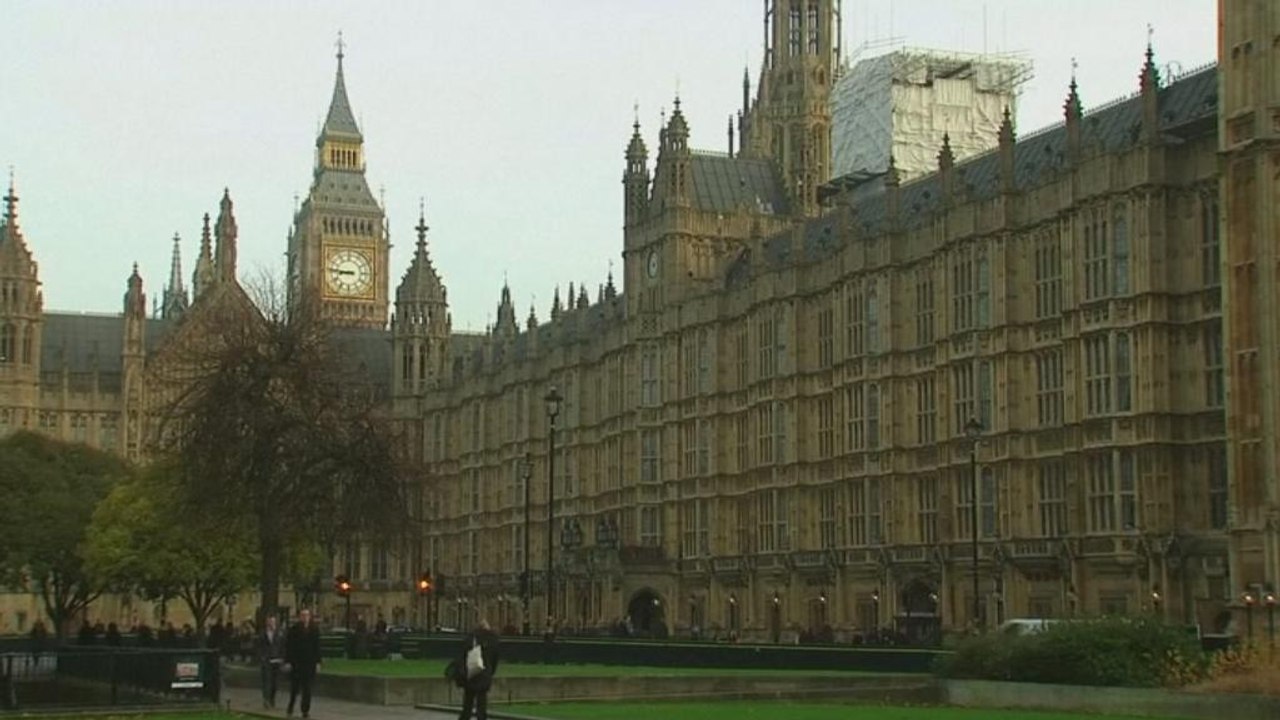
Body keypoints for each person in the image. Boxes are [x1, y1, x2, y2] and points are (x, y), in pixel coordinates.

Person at [457, 618, 500, 720]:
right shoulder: (492, 640)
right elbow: (495, 658)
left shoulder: (471, 638)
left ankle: (465, 718)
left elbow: (463, 655)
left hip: (472, 671)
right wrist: (490, 671)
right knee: (482, 701)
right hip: (485, 672)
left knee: (468, 701)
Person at [285, 608, 322, 718]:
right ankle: (290, 707)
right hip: (297, 663)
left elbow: (317, 647)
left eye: (307, 615)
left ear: (310, 617)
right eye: (303, 615)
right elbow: (289, 647)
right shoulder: (294, 630)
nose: (305, 617)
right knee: (294, 688)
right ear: (300, 617)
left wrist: (318, 662)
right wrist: (288, 661)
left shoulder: (314, 630)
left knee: (307, 689)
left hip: (309, 663)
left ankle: (305, 710)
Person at [257, 614, 286, 709]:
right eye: (269, 621)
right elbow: (259, 646)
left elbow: (283, 646)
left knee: (275, 682)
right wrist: (262, 657)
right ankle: (266, 699)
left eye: (273, 622)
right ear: (266, 622)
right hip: (266, 660)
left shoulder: (280, 633)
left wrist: (282, 658)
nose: (271, 623)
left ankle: (272, 699)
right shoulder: (262, 633)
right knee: (267, 681)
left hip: (277, 660)